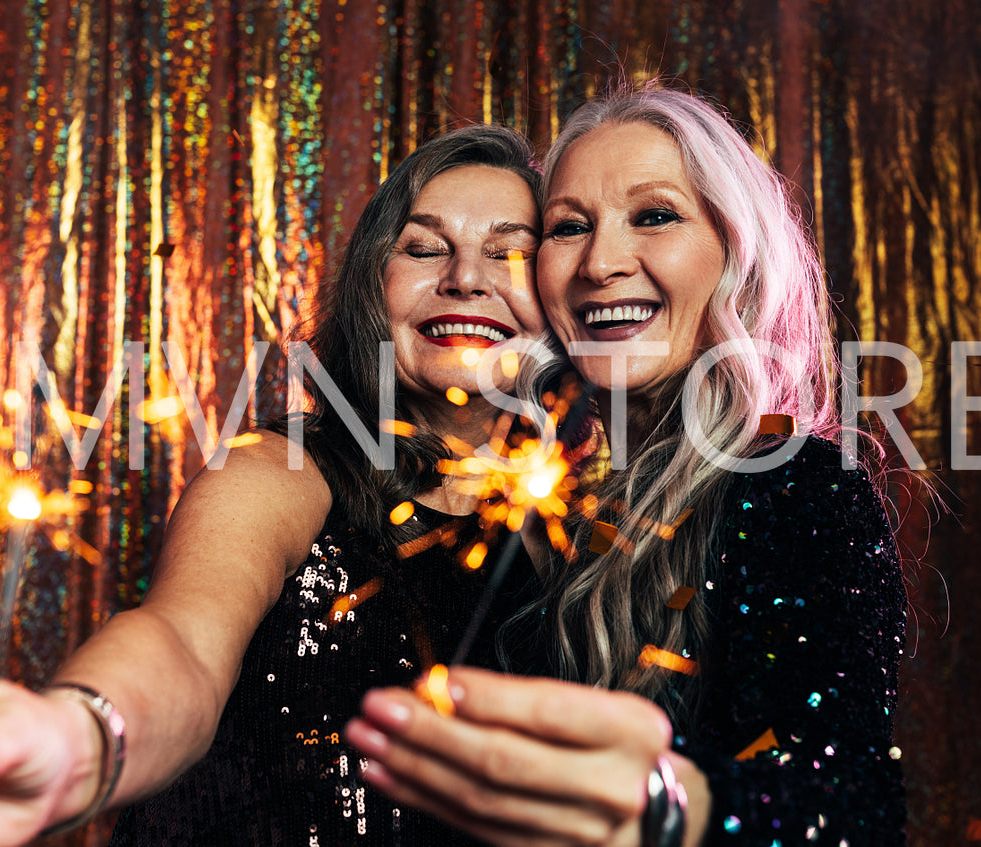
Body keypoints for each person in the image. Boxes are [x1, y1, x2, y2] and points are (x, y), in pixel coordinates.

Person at [0, 125, 548, 846]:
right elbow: (182, 641)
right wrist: (74, 737)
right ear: (375, 284)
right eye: (422, 246)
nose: (466, 277)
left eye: (511, 251)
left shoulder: (589, 536)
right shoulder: (277, 472)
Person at [346, 84, 909, 846]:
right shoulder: (516, 498)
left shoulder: (792, 485)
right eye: (568, 227)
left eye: (654, 216)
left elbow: (853, 805)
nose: (601, 262)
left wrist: (666, 807)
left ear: (732, 252)